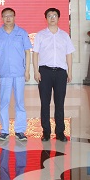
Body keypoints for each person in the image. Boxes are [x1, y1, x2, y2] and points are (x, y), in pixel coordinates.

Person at [32, 8, 75, 142]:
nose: (52, 18)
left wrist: (70, 71)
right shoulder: (40, 35)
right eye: (49, 16)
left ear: (58, 18)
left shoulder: (64, 36)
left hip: (61, 72)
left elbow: (69, 54)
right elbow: (35, 54)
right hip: (45, 72)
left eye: (54, 15)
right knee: (45, 103)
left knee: (59, 103)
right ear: (46, 18)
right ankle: (46, 132)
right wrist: (36, 71)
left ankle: (60, 132)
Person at [0, 8, 31, 142]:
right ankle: (4, 131)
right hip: (4, 73)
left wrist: (27, 71)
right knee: (4, 103)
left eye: (10, 16)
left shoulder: (22, 33)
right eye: (5, 16)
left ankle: (20, 130)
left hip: (19, 73)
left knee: (20, 102)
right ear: (1, 18)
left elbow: (27, 52)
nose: (8, 18)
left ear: (14, 17)